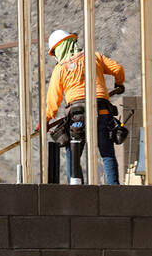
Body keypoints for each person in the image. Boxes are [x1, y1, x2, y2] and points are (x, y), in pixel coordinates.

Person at [43, 29, 125, 185]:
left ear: (60, 48)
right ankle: (114, 189)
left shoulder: (60, 69)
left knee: (72, 153)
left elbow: (53, 99)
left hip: (77, 114)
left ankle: (76, 189)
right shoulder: (94, 57)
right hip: (101, 110)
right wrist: (119, 83)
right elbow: (118, 69)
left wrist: (46, 119)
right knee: (107, 152)